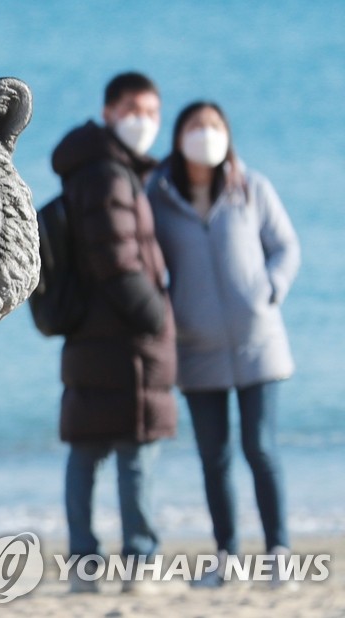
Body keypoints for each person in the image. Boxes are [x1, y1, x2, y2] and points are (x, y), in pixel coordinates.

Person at [146, 101, 301, 587]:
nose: (205, 135)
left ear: (227, 135)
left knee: (260, 448)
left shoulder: (251, 187)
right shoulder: (159, 195)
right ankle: (226, 559)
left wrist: (270, 290)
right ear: (179, 136)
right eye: (196, 126)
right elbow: (149, 262)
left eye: (213, 126)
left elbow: (286, 246)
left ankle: (279, 555)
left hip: (260, 343)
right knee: (213, 456)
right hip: (196, 347)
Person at [50, 72, 177, 593]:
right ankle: (138, 564)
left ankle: (84, 566)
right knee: (135, 453)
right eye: (132, 109)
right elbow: (117, 261)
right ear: (107, 112)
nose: (143, 121)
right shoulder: (108, 174)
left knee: (88, 451)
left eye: (151, 111)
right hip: (124, 341)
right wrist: (159, 316)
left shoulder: (96, 168)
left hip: (91, 336)